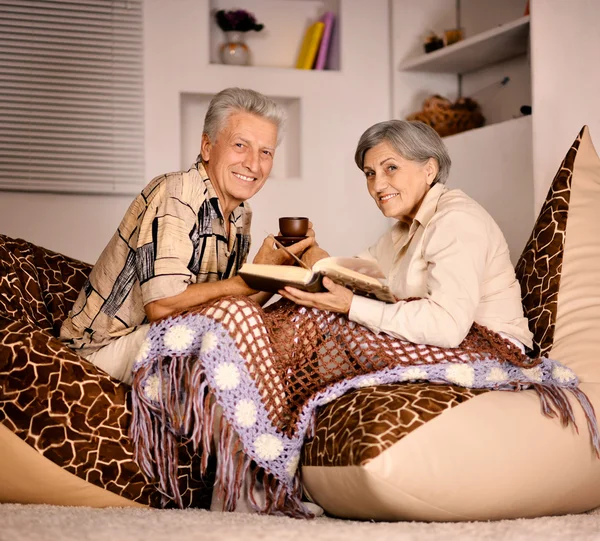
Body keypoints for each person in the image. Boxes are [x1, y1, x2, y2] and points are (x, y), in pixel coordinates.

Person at [60, 87, 314, 383]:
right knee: (226, 344)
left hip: (170, 337)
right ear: (207, 147)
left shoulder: (241, 213)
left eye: (266, 152)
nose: (254, 164)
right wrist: (249, 279)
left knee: (277, 322)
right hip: (98, 355)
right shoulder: (177, 193)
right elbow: (162, 307)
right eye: (240, 145)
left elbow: (228, 304)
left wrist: (276, 272)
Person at [280, 119, 533, 351]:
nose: (377, 185)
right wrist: (311, 254)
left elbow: (446, 327)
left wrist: (350, 305)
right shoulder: (403, 229)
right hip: (445, 347)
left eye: (391, 168)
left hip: (494, 349)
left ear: (429, 170)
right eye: (370, 174)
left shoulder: (456, 220)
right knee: (306, 317)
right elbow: (350, 278)